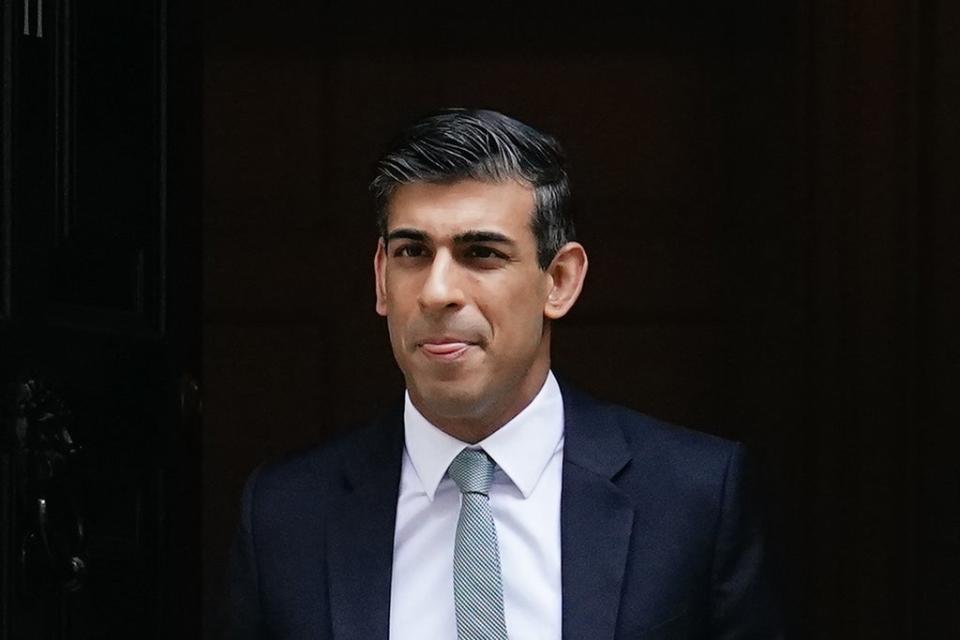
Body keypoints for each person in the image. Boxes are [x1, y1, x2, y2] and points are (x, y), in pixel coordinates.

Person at [229, 108, 783, 639]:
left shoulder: (694, 496)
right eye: (412, 252)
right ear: (380, 278)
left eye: (482, 254)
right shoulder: (286, 514)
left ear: (560, 280)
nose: (438, 291)